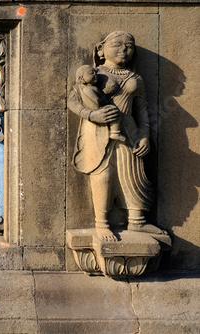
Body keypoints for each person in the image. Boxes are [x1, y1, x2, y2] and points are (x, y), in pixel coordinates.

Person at [68, 31, 166, 242]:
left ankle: (137, 221)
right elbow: (73, 101)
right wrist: (92, 114)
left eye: (129, 46)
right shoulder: (93, 74)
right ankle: (102, 223)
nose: (124, 49)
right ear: (101, 50)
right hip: (98, 130)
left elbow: (142, 110)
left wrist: (145, 135)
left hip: (129, 132)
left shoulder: (135, 78)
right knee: (103, 173)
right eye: (117, 45)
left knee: (133, 175)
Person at [74, 65, 125, 142]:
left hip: (126, 123)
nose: (95, 75)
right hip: (96, 117)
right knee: (114, 113)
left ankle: (115, 132)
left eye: (95, 73)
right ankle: (115, 132)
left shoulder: (96, 81)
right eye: (91, 73)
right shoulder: (85, 88)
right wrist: (91, 115)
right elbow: (95, 102)